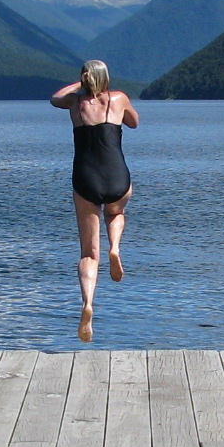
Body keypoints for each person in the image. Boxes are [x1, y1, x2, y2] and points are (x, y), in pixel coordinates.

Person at [51, 59, 138, 342]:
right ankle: (115, 247)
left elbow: (55, 99)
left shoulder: (75, 103)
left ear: (84, 78)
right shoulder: (119, 98)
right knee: (116, 213)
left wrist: (81, 86)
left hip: (85, 177)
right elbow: (134, 122)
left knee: (89, 254)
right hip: (116, 174)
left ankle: (88, 303)